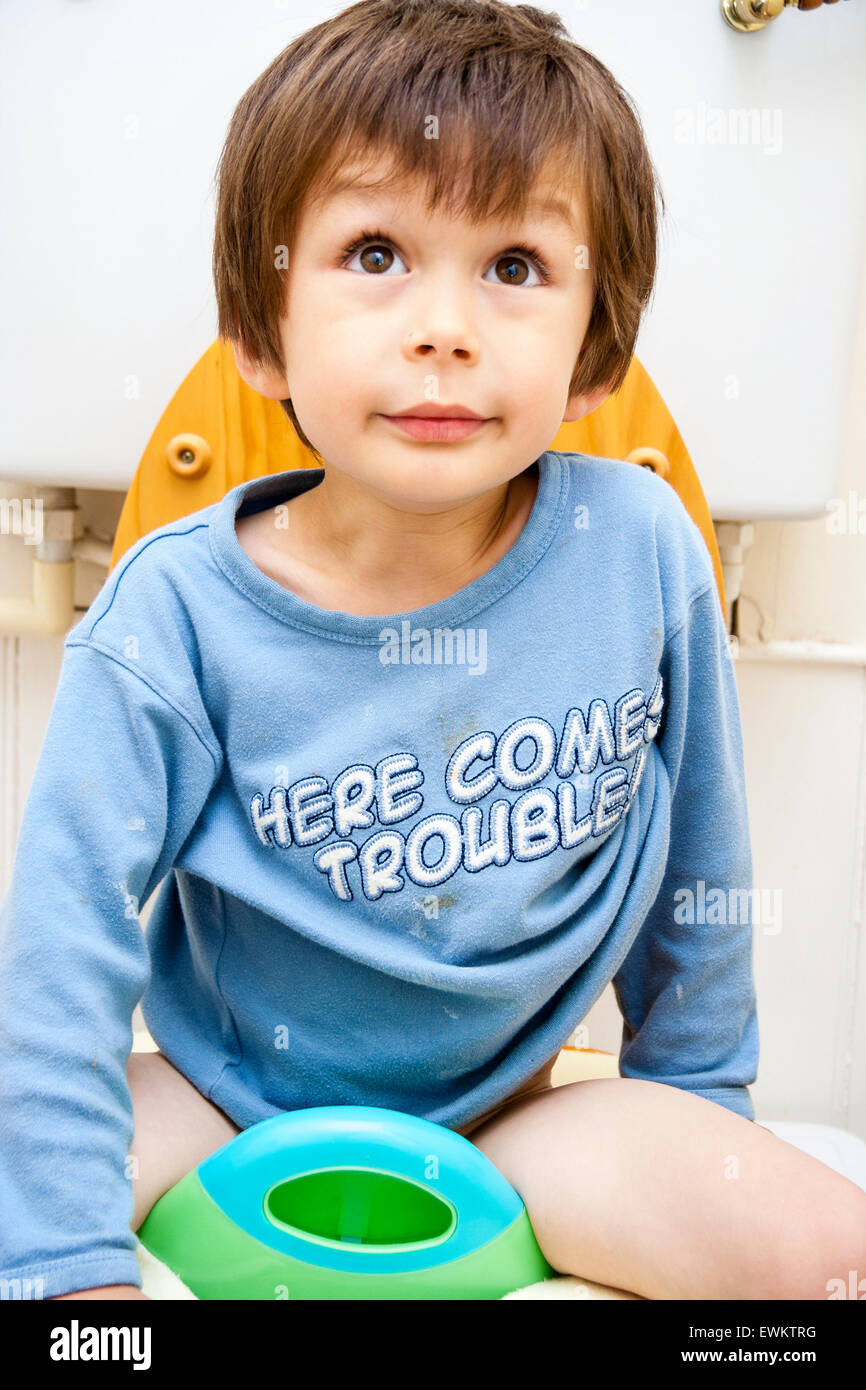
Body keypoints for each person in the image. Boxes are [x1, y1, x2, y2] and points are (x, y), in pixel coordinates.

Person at [2, 0, 864, 1303]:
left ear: (595, 342)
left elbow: (700, 866)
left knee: (827, 1252)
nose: (444, 324)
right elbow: (57, 961)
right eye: (373, 252)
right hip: (223, 1092)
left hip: (522, 1109)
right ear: (258, 323)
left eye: (514, 264)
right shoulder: (171, 610)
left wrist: (697, 1120)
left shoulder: (638, 549)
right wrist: (77, 1283)